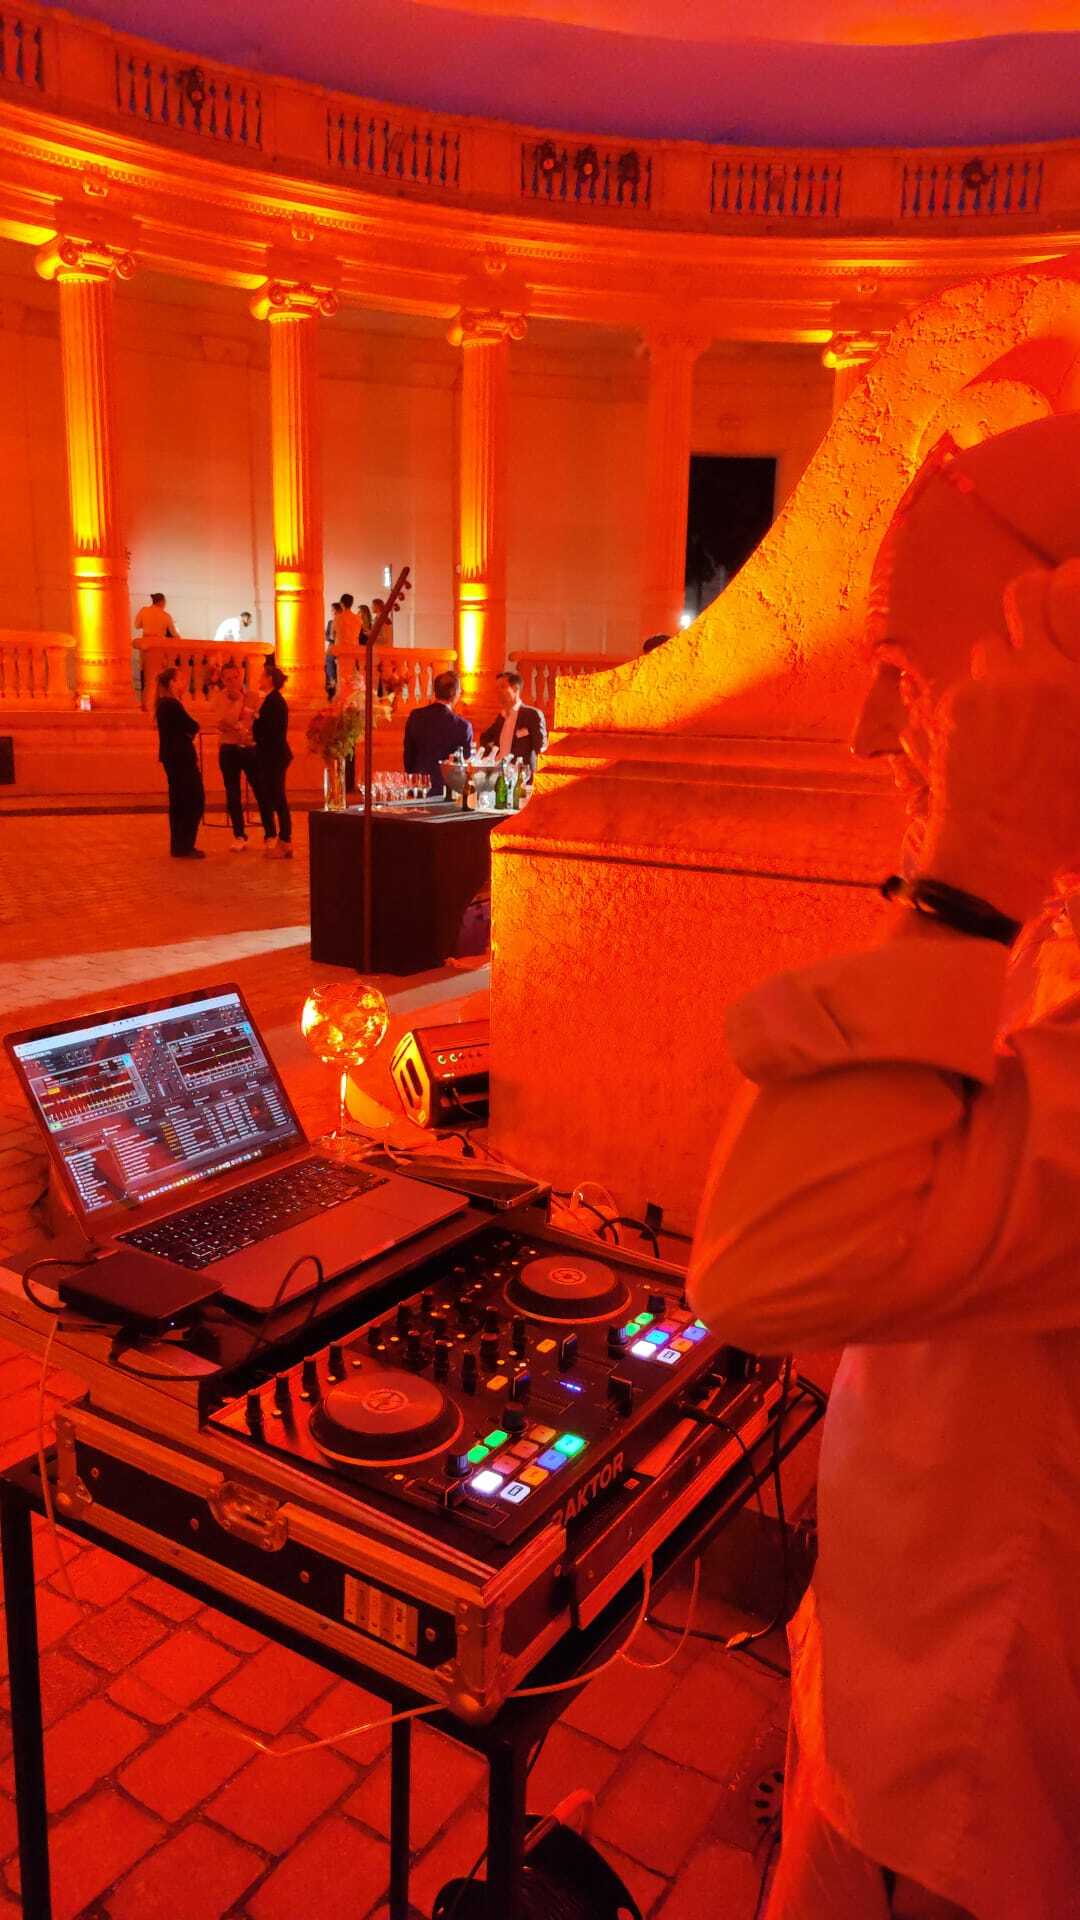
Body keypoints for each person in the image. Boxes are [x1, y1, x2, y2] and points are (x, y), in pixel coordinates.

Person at [688, 413, 1080, 1920]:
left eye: (911, 676)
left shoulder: (1003, 910)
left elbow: (767, 1270)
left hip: (963, 1816)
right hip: (883, 1702)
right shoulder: (1044, 933)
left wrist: (969, 865)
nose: (864, 734)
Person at [153, 664, 204, 858]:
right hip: (181, 758)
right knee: (193, 800)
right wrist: (189, 731)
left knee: (178, 801)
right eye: (179, 679)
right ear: (172, 683)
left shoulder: (163, 705)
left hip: (172, 758)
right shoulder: (171, 705)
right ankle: (185, 844)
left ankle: (178, 845)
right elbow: (192, 725)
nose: (183, 683)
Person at [213, 657, 259, 851]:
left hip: (248, 747)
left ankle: (270, 832)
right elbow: (223, 721)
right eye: (228, 679)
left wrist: (239, 725)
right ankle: (239, 834)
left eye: (235, 677)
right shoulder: (220, 697)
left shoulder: (252, 695)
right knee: (232, 793)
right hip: (228, 748)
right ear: (223, 680)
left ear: (241, 677)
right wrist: (238, 703)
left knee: (259, 787)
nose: (232, 682)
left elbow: (253, 721)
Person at [403, 669, 472, 796]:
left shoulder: (416, 716)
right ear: (455, 693)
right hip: (447, 791)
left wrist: (412, 778)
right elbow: (463, 764)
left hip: (418, 786)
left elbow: (408, 755)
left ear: (435, 691)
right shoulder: (463, 726)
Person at [253, 660, 293, 859]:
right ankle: (282, 840)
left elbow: (270, 731)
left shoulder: (274, 701)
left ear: (270, 679)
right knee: (273, 796)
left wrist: (254, 726)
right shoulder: (271, 700)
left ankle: (285, 840)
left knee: (278, 798)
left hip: (274, 756)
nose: (259, 679)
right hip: (271, 755)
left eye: (262, 675)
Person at [478, 670, 547, 771]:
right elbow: (484, 738)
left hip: (519, 774)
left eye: (502, 687)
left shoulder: (532, 715)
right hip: (498, 772)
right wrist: (491, 757)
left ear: (515, 689)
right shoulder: (501, 717)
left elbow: (541, 749)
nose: (498, 692)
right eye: (496, 688)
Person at [325, 602, 342, 697]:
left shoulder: (341, 621)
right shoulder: (330, 622)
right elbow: (327, 636)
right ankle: (332, 680)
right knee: (328, 660)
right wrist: (329, 637)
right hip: (332, 645)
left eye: (332, 609)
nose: (331, 611)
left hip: (339, 645)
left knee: (330, 660)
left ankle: (334, 681)